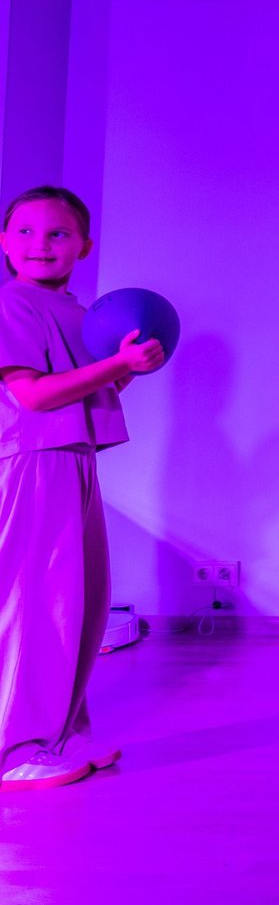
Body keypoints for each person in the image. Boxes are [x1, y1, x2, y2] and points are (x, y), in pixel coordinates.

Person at [0, 186, 164, 791]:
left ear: (85, 247)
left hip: (72, 460)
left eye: (57, 234)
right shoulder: (14, 304)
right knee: (36, 604)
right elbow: (34, 394)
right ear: (3, 243)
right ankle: (15, 748)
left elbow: (91, 392)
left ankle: (61, 733)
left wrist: (126, 366)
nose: (39, 245)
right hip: (32, 462)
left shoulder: (77, 311)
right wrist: (120, 366)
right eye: (24, 233)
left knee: (82, 602)